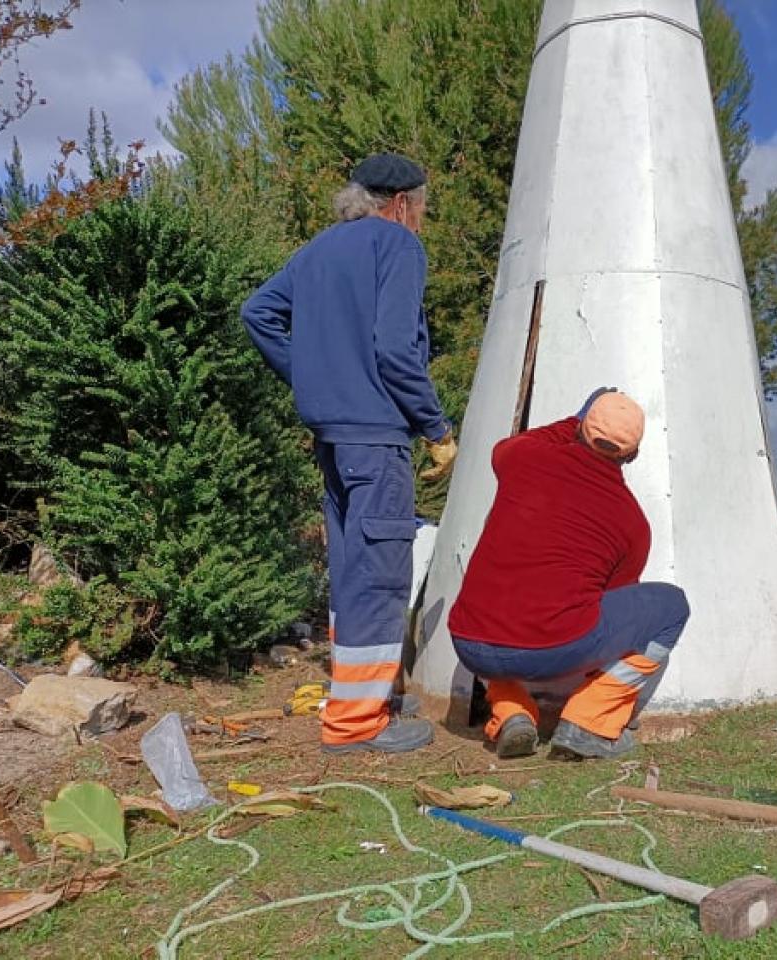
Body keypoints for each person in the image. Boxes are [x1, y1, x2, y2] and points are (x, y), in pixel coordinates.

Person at [241, 152, 457, 754]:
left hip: (333, 438)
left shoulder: (316, 250)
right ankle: (357, 724)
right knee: (381, 575)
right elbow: (395, 350)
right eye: (422, 209)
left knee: (350, 571)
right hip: (376, 436)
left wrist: (311, 375)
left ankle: (367, 694)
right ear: (401, 204)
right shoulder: (397, 246)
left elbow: (257, 313)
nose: (421, 222)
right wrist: (435, 428)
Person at [448, 389, 690, 759]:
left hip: (467, 642)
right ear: (634, 454)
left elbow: (526, 441)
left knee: (495, 607)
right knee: (672, 606)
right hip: (548, 652)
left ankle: (511, 712)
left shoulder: (521, 458)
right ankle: (589, 722)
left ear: (577, 428)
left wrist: (579, 415)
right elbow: (611, 599)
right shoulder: (633, 524)